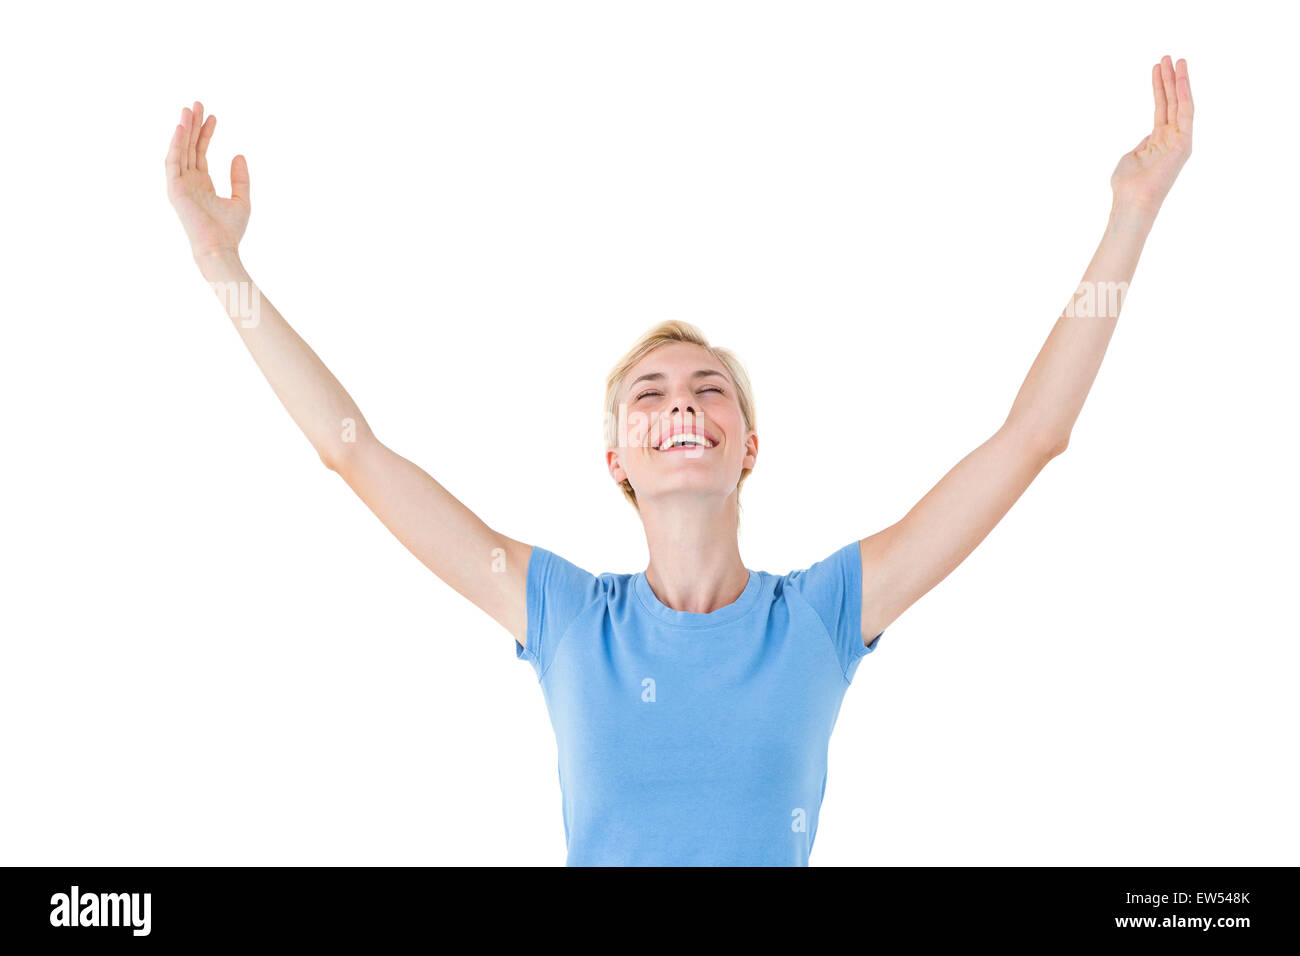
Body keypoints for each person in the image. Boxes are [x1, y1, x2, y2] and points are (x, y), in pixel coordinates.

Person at [164, 55, 1194, 865]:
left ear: (749, 444)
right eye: (649, 398)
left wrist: (1132, 211)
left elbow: (1030, 438)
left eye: (709, 390)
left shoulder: (824, 615)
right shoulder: (563, 617)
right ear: (615, 456)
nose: (681, 407)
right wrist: (222, 266)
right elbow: (353, 452)